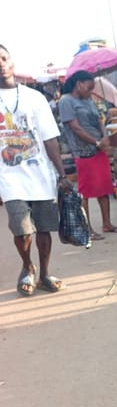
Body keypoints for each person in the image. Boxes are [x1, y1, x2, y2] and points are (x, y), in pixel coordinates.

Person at [0, 44, 68, 296]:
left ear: (12, 62)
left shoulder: (34, 98)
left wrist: (62, 174)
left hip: (41, 175)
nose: (1, 64)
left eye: (4, 58)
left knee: (44, 228)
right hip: (8, 178)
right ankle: (27, 266)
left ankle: (45, 272)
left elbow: (50, 139)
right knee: (21, 228)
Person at [58, 70, 117, 240]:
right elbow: (75, 127)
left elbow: (99, 121)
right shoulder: (66, 101)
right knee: (85, 192)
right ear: (79, 84)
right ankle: (86, 228)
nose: (90, 91)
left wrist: (104, 138)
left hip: (98, 149)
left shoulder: (88, 100)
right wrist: (96, 142)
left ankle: (107, 223)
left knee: (104, 187)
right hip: (83, 151)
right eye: (89, 87)